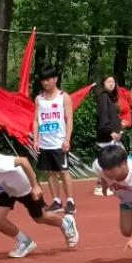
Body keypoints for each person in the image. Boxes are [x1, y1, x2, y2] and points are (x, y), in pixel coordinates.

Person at [0, 144, 79, 258]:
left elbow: (23, 161)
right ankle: (25, 242)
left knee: (40, 217)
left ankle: (66, 223)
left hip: (23, 185)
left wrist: (35, 186)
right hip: (3, 189)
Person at [32, 64, 76, 214]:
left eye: (49, 79)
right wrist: (36, 139)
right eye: (43, 80)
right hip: (45, 143)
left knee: (63, 171)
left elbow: (69, 119)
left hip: (59, 142)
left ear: (55, 79)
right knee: (50, 172)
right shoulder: (39, 99)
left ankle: (70, 201)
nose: (46, 83)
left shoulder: (63, 96)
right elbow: (36, 120)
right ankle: (56, 201)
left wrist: (67, 139)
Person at [93, 75, 124, 196]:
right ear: (103, 84)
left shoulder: (111, 98)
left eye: (113, 82)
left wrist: (119, 126)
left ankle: (111, 184)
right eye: (108, 82)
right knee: (106, 161)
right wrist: (110, 131)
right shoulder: (103, 97)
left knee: (117, 159)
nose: (111, 84)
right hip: (106, 136)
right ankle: (100, 185)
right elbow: (103, 116)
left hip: (112, 136)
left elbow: (112, 117)